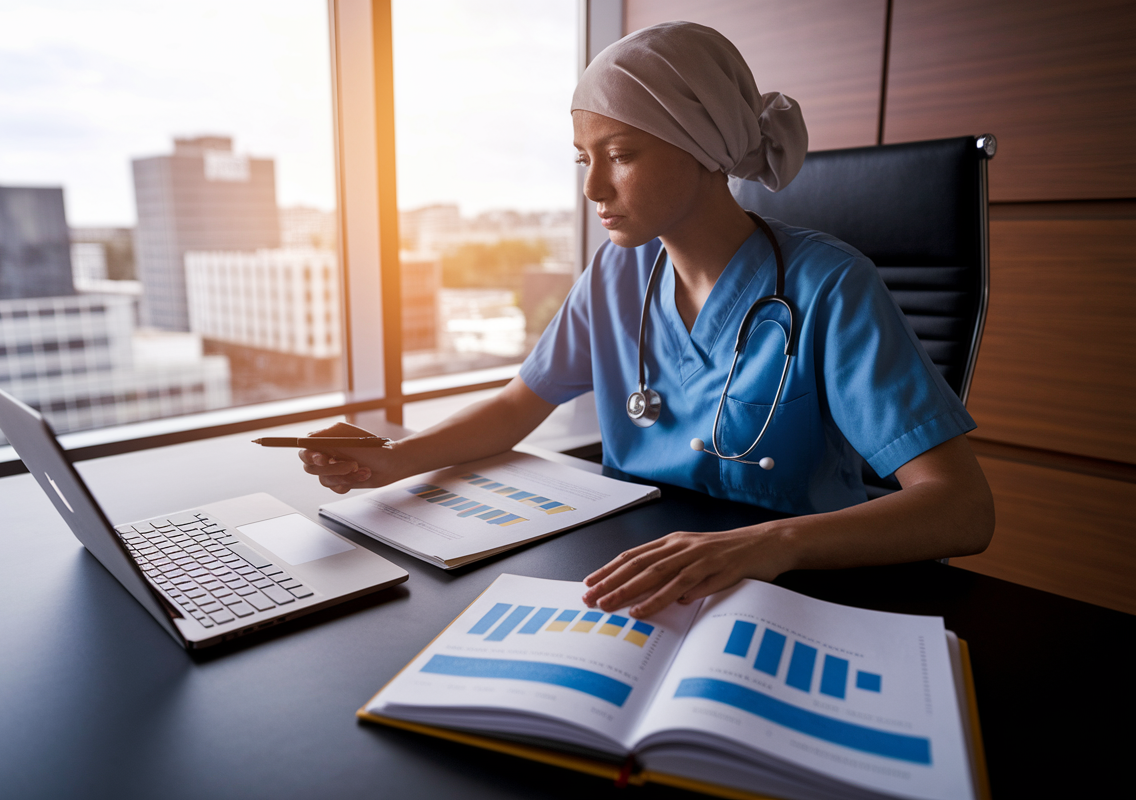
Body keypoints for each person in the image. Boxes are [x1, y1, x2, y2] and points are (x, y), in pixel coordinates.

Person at [299, 22, 994, 619]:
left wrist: (777, 543)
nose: (593, 188)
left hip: (791, 584)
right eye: (584, 158)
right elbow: (518, 405)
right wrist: (394, 459)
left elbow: (961, 509)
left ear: (704, 150)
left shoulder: (830, 285)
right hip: (637, 566)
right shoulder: (615, 274)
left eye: (621, 156)